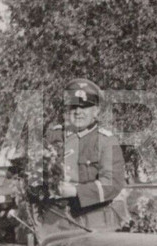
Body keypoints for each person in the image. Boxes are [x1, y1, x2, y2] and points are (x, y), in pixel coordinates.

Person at [46, 78, 125, 231]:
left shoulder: (106, 141)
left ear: (96, 111)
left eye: (85, 106)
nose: (78, 111)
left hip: (92, 221)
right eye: (73, 106)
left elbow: (112, 183)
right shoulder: (53, 136)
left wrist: (75, 191)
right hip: (54, 221)